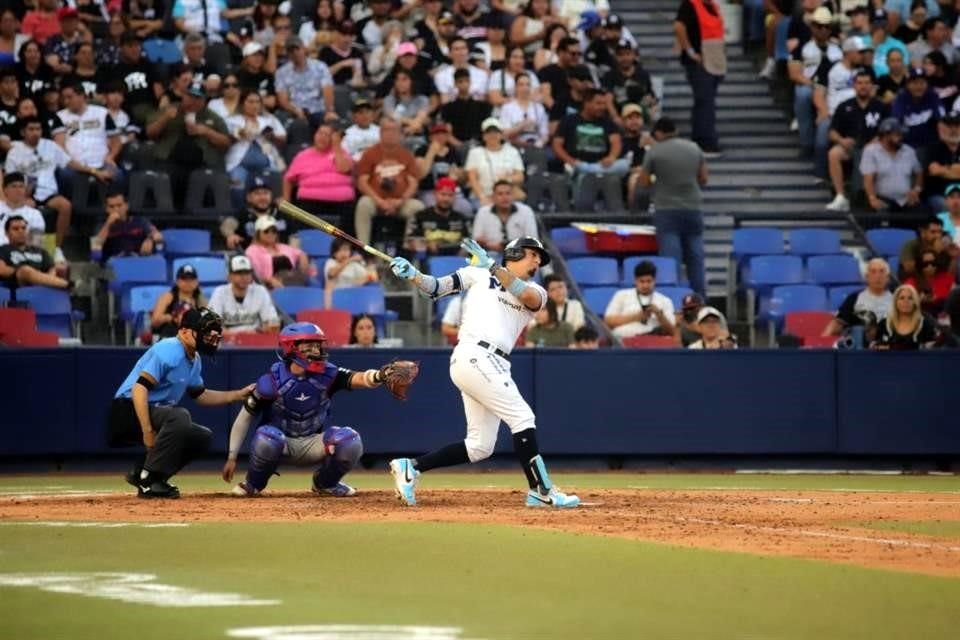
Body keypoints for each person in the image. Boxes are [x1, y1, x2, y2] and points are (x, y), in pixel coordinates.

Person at [388, 236, 581, 508]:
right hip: (474, 354)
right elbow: (436, 288)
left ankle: (411, 467)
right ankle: (541, 490)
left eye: (540, 258)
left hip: (495, 362)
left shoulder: (536, 290)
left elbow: (526, 296)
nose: (537, 261)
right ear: (513, 253)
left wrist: (491, 265)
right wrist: (414, 275)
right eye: (532, 254)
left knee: (480, 446)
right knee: (522, 416)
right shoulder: (476, 273)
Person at [223, 323, 408, 497]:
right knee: (267, 438)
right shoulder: (271, 381)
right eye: (309, 346)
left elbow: (357, 378)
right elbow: (244, 417)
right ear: (291, 348)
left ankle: (325, 483)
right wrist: (232, 456)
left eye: (317, 345)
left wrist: (381, 375)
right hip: (280, 443)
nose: (316, 351)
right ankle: (253, 483)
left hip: (313, 441)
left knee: (350, 440)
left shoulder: (328, 373)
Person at [106, 307, 253, 498]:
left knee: (201, 436)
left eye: (211, 332)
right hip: (127, 410)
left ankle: (149, 474)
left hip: (154, 412)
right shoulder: (170, 349)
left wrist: (237, 395)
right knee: (180, 416)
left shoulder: (194, 358)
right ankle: (148, 479)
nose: (209, 336)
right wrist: (147, 431)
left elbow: (200, 395)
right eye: (203, 331)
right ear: (183, 331)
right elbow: (139, 388)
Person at [639, 117, 708, 295]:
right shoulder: (694, 148)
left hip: (667, 209)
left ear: (659, 133)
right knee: (696, 256)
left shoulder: (654, 151)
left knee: (671, 259)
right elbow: (703, 179)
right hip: (693, 207)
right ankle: (699, 299)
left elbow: (644, 182)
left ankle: (674, 299)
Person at [553, 87, 629, 211]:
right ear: (586, 103)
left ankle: (618, 218)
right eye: (598, 103)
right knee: (584, 178)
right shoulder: (569, 120)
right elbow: (557, 145)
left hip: (602, 168)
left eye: (604, 104)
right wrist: (570, 161)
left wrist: (612, 157)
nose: (602, 107)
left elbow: (616, 142)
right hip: (576, 167)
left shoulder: (607, 122)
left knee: (616, 174)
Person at [354, 116, 424, 246]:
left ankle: (407, 252)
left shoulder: (407, 155)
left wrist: (400, 201)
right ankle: (364, 249)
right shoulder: (369, 153)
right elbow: (362, 182)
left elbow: (413, 183)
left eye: (394, 130)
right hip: (375, 200)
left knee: (418, 207)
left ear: (400, 134)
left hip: (400, 201)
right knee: (363, 204)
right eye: (386, 130)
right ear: (380, 133)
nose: (390, 134)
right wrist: (379, 201)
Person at [825, 71, 890, 212]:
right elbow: (832, 132)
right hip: (851, 147)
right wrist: (841, 140)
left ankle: (863, 197)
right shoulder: (844, 106)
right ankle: (840, 196)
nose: (863, 86)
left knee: (869, 152)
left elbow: (888, 131)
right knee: (834, 153)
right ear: (854, 85)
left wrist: (876, 141)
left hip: (876, 148)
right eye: (860, 83)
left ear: (872, 86)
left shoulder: (881, 106)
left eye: (867, 83)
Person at [788, 7, 841, 160]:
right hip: (810, 85)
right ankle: (807, 144)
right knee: (802, 93)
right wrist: (814, 85)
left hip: (833, 88)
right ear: (812, 26)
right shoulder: (802, 48)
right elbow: (794, 73)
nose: (823, 30)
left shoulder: (838, 49)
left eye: (827, 26)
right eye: (819, 26)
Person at [674, 0, 726, 155]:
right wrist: (690, 51)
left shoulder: (713, 6)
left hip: (715, 59)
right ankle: (705, 142)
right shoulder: (690, 5)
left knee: (705, 102)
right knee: (705, 101)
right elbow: (678, 27)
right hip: (699, 62)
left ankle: (701, 137)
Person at [224, 90, 286, 207]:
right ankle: (241, 216)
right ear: (243, 104)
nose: (254, 105)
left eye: (257, 102)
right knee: (237, 186)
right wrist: (240, 134)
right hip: (238, 165)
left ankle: (273, 217)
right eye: (251, 102)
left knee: (278, 180)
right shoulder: (232, 120)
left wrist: (271, 136)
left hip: (266, 164)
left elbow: (283, 137)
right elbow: (226, 140)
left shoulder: (269, 120)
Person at [282, 123, 355, 221]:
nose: (322, 137)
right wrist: (287, 201)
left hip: (341, 203)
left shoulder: (341, 153)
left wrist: (337, 147)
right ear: (314, 135)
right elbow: (288, 179)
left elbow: (344, 168)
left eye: (327, 135)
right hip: (310, 201)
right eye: (320, 133)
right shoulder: (302, 156)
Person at [859, 117, 924, 212]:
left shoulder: (909, 151)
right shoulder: (871, 151)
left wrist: (916, 190)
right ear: (886, 135)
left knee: (924, 214)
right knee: (879, 212)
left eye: (902, 135)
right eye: (897, 135)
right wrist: (872, 198)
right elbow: (868, 178)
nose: (901, 138)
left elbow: (919, 172)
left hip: (906, 200)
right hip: (882, 199)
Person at [274, 36, 337, 129]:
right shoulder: (281, 72)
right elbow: (283, 100)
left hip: (318, 110)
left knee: (329, 120)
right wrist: (295, 110)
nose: (295, 53)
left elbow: (327, 90)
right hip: (295, 112)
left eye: (297, 49)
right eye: (291, 51)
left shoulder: (320, 67)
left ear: (304, 48)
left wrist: (329, 111)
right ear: (287, 53)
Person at [208, 255, 280, 334]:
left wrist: (258, 331)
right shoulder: (220, 292)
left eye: (247, 273)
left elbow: (273, 323)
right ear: (229, 276)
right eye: (239, 273)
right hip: (226, 342)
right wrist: (237, 335)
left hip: (255, 340)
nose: (244, 277)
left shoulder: (260, 291)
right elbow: (211, 326)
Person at [603, 260, 675, 339]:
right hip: (623, 341)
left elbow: (672, 331)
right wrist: (637, 317)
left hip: (652, 342)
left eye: (649, 281)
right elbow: (608, 321)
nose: (645, 285)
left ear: (654, 281)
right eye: (642, 281)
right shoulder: (621, 295)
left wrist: (659, 314)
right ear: (635, 281)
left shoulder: (665, 300)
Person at [823, 258, 894, 337]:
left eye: (882, 271)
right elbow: (837, 323)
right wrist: (823, 342)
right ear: (867, 277)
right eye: (873, 272)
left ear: (887, 277)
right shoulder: (854, 298)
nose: (878, 276)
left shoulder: (897, 299)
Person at [465, 117, 525, 207]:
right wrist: (483, 197)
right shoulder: (475, 153)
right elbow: (472, 178)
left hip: (507, 196)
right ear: (483, 136)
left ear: (501, 135)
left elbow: (520, 176)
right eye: (488, 132)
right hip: (483, 196)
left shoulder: (512, 151)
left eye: (496, 132)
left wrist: (508, 179)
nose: (492, 135)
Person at [0, 215, 69, 290]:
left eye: (24, 228)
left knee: (60, 267)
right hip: (18, 284)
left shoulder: (40, 251)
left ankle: (54, 286)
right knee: (25, 270)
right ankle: (67, 285)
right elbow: (2, 270)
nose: (21, 231)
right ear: (7, 233)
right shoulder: (3, 250)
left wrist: (39, 277)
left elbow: (51, 268)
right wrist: (25, 272)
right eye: (15, 229)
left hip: (43, 284)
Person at [245, 215, 314, 289]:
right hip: (269, 287)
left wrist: (302, 256)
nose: (270, 234)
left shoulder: (282, 247)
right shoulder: (251, 251)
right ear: (258, 233)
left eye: (274, 231)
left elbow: (299, 253)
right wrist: (269, 280)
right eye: (266, 231)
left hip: (292, 281)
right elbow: (254, 276)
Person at [407, 177, 471, 256]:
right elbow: (410, 242)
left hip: (456, 261)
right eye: (443, 194)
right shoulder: (420, 217)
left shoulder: (462, 219)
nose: (446, 199)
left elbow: (470, 243)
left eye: (450, 195)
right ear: (435, 194)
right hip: (427, 261)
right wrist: (427, 245)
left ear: (454, 197)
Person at [94, 191, 164, 263]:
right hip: (113, 265)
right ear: (106, 209)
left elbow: (158, 236)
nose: (116, 209)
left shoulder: (140, 221)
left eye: (119, 205)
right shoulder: (102, 225)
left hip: (139, 262)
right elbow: (95, 251)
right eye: (111, 207)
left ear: (126, 206)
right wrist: (108, 224)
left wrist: (150, 239)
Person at [472, 180, 539, 252]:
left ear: (513, 196)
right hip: (490, 253)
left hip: (520, 254)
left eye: (508, 193)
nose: (505, 197)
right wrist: (488, 245)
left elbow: (532, 240)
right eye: (500, 194)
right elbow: (476, 239)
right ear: (493, 197)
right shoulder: (483, 212)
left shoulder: (526, 211)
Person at [872, 284, 939, 349]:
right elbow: (874, 345)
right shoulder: (883, 324)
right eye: (902, 298)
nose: (906, 301)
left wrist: (890, 347)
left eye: (910, 298)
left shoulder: (926, 323)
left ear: (915, 302)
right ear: (895, 302)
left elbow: (934, 347)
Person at [150, 263, 207, 340]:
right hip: (169, 336)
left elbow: (208, 322)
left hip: (192, 339)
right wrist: (172, 317)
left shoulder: (200, 299)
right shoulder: (167, 297)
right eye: (184, 278)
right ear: (177, 281)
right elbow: (154, 321)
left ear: (197, 282)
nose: (188, 282)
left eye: (191, 279)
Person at [440, 68, 493, 143]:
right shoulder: (448, 108)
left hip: (479, 144)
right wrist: (459, 145)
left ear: (470, 82)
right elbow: (447, 131)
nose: (464, 84)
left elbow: (487, 128)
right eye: (460, 81)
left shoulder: (483, 106)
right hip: (457, 145)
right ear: (455, 84)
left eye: (467, 81)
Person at [323, 237, 378, 308]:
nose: (343, 253)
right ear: (334, 253)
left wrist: (362, 281)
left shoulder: (353, 265)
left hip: (353, 298)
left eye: (346, 250)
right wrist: (350, 260)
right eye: (340, 250)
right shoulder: (331, 262)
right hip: (336, 299)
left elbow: (372, 276)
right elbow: (331, 274)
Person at [499, 72, 550, 149]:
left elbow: (544, 134)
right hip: (514, 147)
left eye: (528, 85)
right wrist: (522, 126)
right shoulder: (507, 108)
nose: (525, 88)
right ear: (516, 87)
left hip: (535, 146)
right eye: (521, 85)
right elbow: (504, 134)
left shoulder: (539, 108)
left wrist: (538, 144)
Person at [923, 114, 960, 212]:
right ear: (941, 128)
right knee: (947, 206)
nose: (953, 130)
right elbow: (934, 170)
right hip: (939, 194)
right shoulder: (933, 148)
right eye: (949, 126)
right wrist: (955, 170)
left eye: (957, 126)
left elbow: (940, 170)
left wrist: (944, 170)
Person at [0, 173, 48, 249]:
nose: (18, 190)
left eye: (21, 186)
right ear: (5, 190)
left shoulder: (35, 214)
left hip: (19, 255)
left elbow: (36, 244)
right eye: (14, 186)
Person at [903, 248, 954, 313]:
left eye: (933, 263)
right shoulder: (911, 282)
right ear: (920, 265)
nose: (930, 266)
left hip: (944, 314)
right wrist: (918, 300)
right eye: (925, 264)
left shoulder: (947, 278)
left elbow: (954, 299)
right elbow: (904, 303)